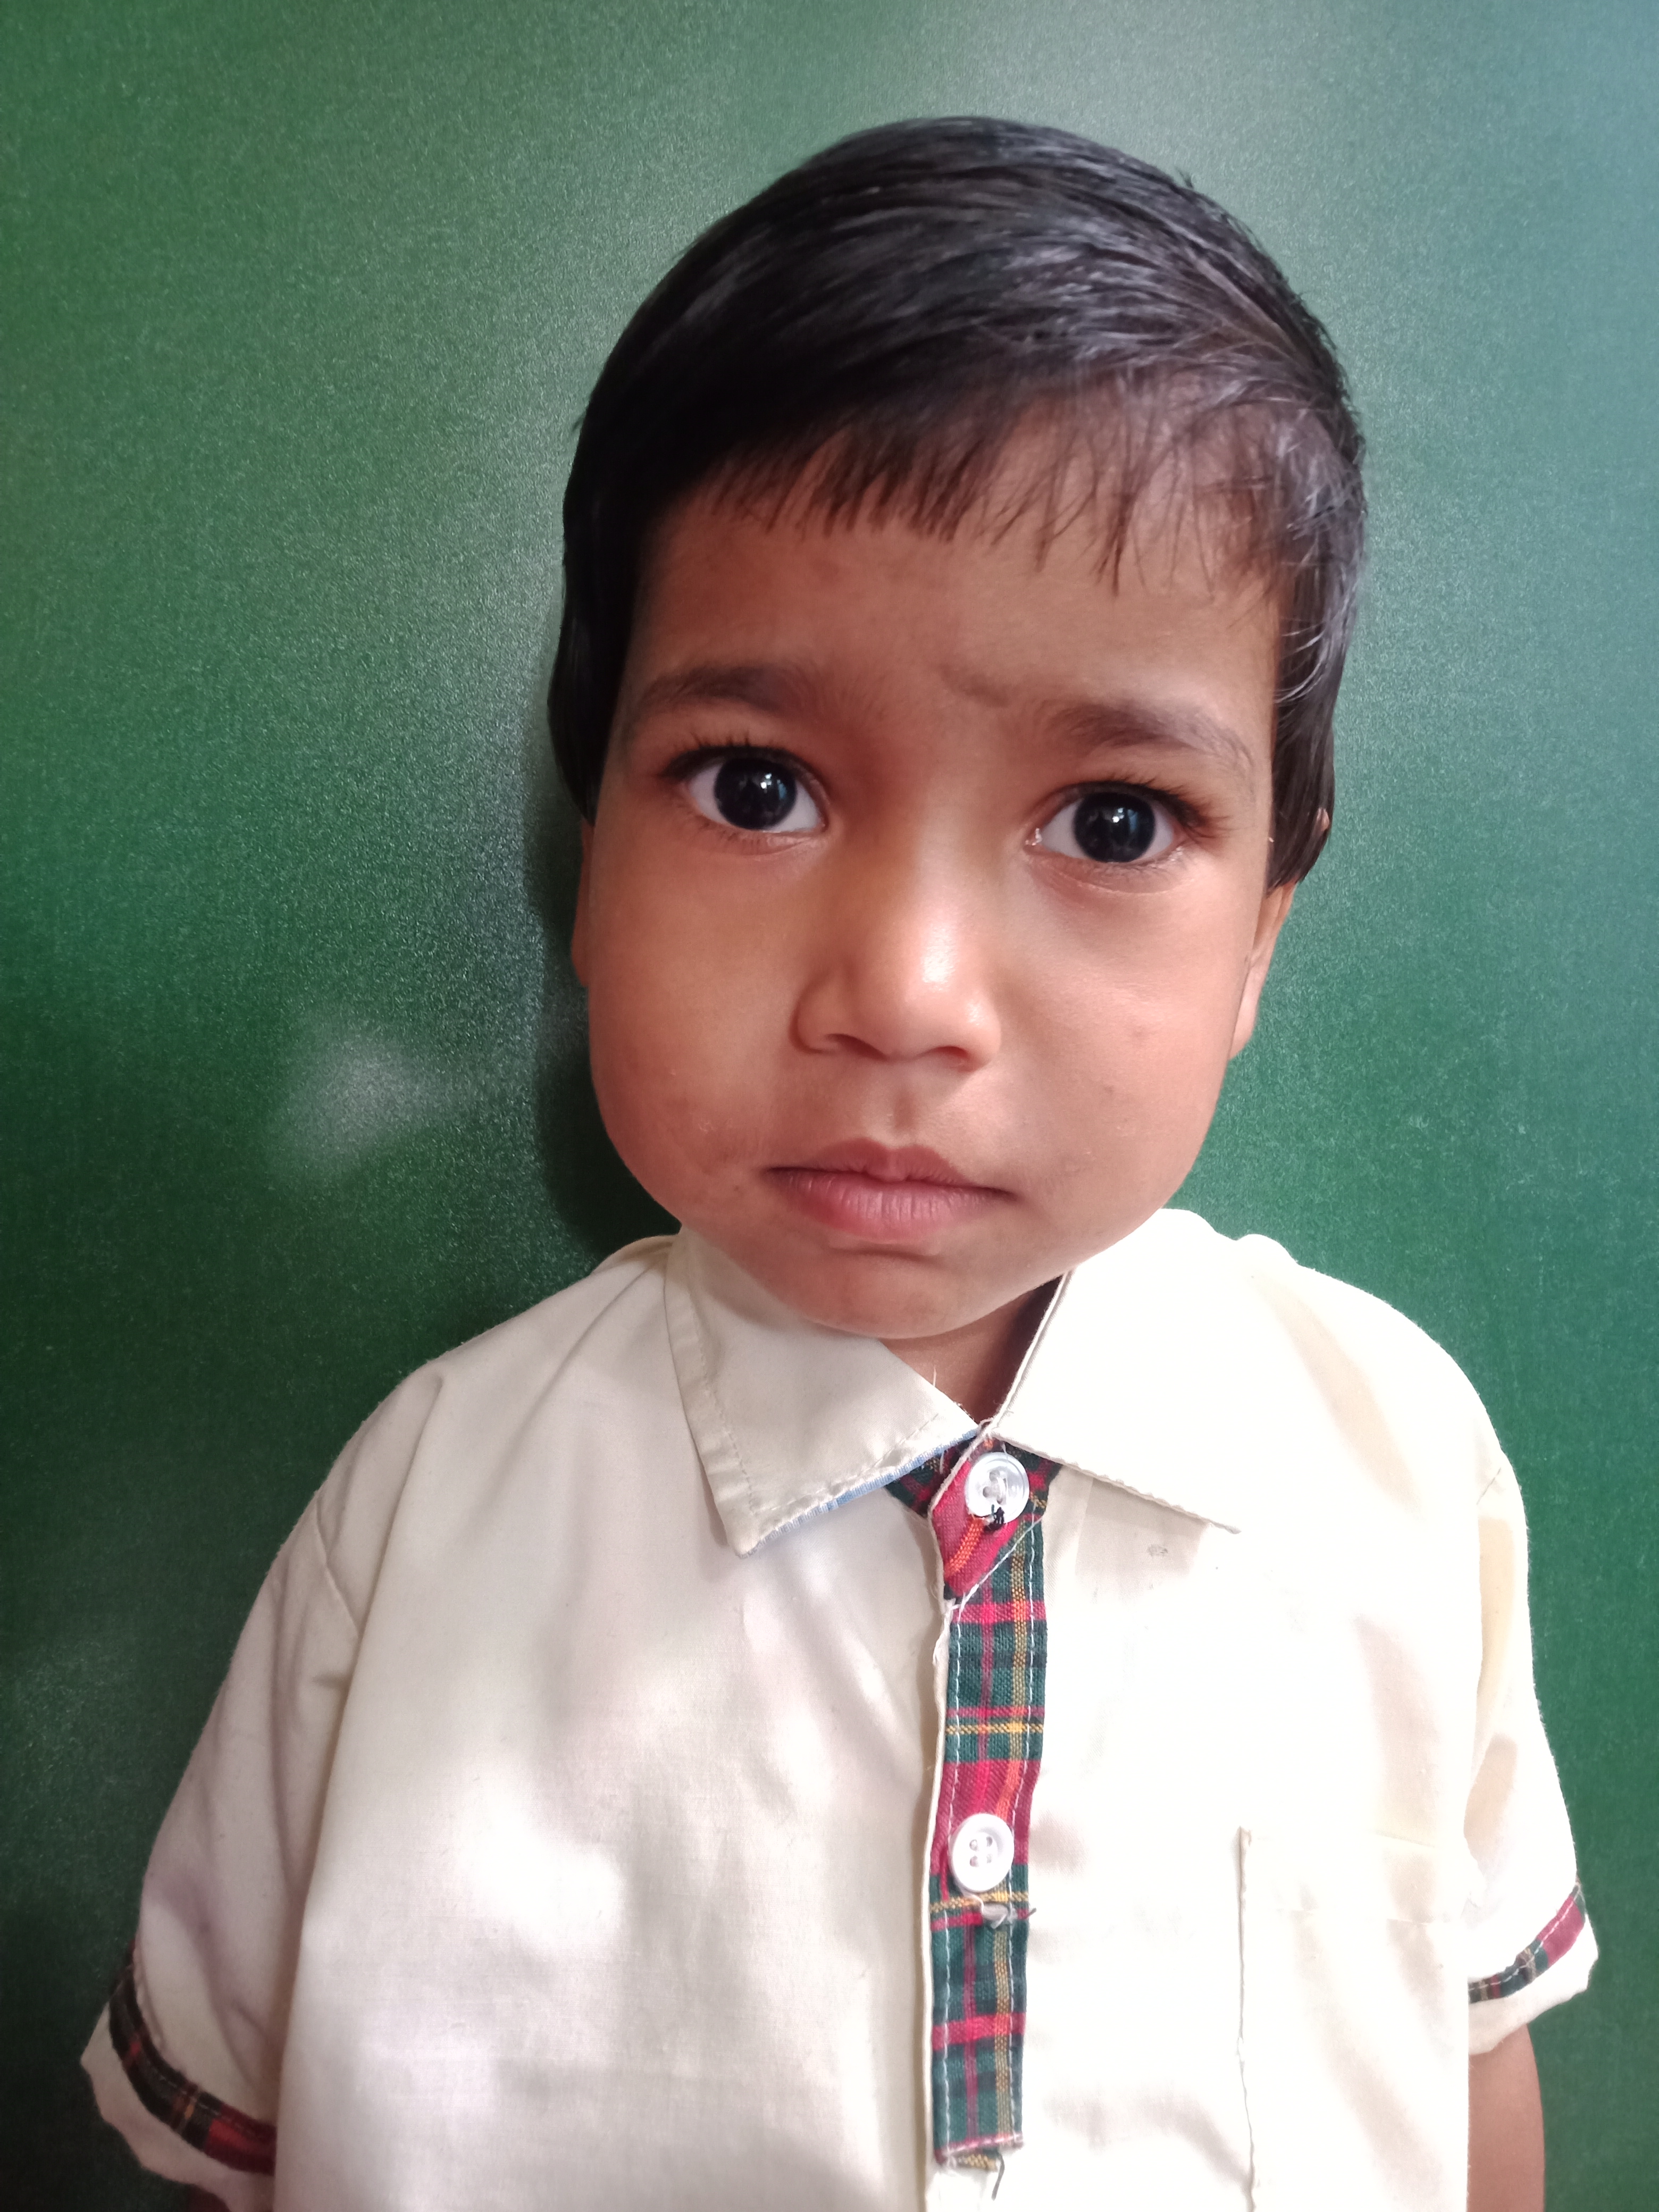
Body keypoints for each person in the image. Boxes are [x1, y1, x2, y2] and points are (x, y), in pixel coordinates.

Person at [83, 119, 1594, 2212]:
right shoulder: (427, 1517)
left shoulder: (1395, 1465)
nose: (906, 993)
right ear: (589, 855)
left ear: (1265, 924)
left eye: (1116, 822)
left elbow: (1470, 2076)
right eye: (756, 785)